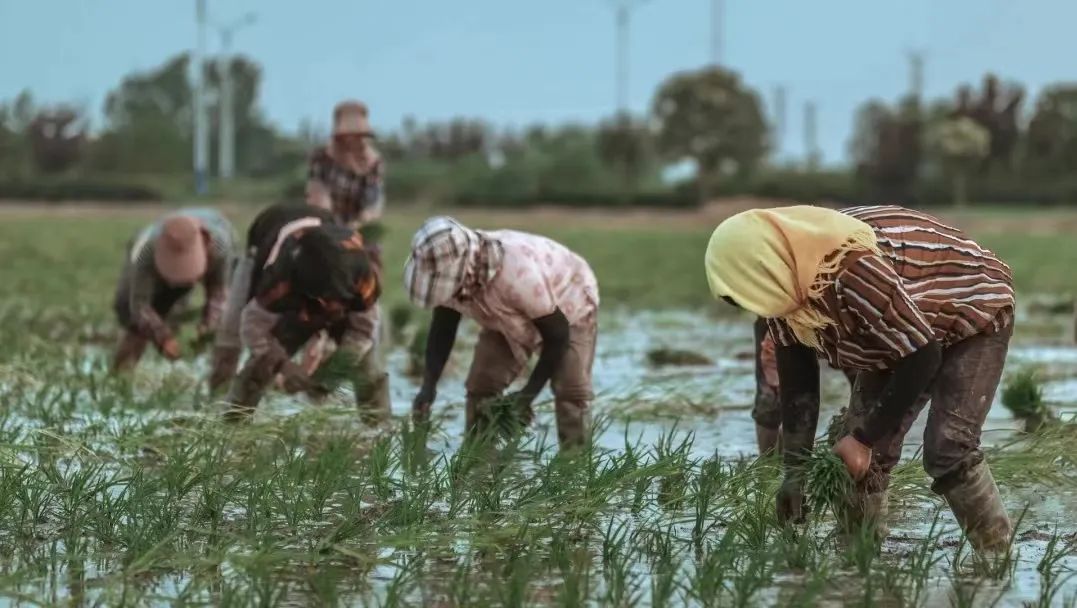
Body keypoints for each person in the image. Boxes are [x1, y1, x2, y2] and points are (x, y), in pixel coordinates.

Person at [705, 204, 1015, 553]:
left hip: (970, 310)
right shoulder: (785, 291)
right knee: (854, 451)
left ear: (765, 267)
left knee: (948, 448)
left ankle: (995, 558)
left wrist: (864, 439)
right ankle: (859, 561)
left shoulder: (850, 269)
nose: (760, 307)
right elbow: (799, 386)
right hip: (903, 330)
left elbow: (922, 355)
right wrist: (795, 472)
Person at [405, 216, 599, 449]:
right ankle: (478, 460)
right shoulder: (454, 276)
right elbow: (443, 328)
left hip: (567, 303)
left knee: (571, 389)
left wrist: (526, 397)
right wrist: (428, 387)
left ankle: (575, 466)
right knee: (481, 384)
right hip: (502, 315)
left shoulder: (518, 276)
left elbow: (557, 335)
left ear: (463, 268)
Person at [208, 203, 387, 422]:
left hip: (336, 293)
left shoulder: (363, 277)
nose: (326, 306)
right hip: (268, 248)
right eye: (321, 299)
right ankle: (231, 424)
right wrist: (285, 365)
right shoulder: (279, 282)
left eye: (332, 299)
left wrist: (331, 375)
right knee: (260, 367)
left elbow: (363, 331)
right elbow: (253, 328)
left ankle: (379, 429)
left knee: (366, 366)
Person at [112, 207, 235, 373]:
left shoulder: (220, 245)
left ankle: (221, 383)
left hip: (214, 243)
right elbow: (140, 305)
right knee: (131, 316)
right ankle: (121, 375)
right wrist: (163, 338)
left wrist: (208, 328)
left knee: (221, 320)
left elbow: (218, 293)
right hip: (147, 268)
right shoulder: (146, 252)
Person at [752, 319, 856, 456]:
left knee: (864, 377)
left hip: (841, 314)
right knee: (770, 398)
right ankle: (769, 469)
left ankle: (872, 463)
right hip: (780, 313)